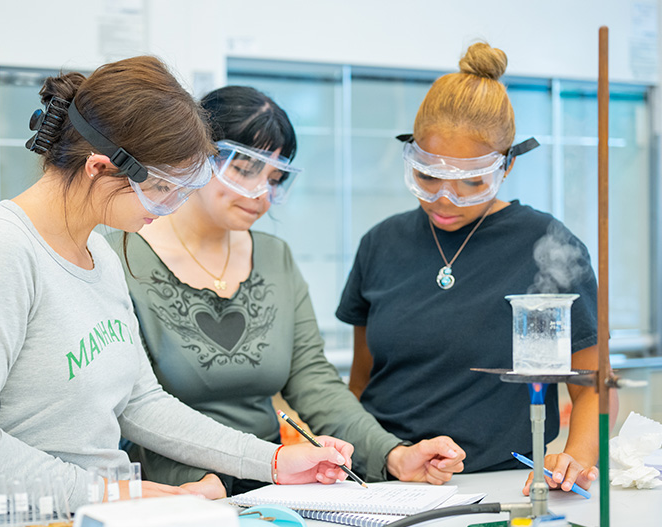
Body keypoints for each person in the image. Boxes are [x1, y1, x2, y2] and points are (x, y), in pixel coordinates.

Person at [0, 57, 357, 522]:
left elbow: (141, 402)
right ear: (99, 167)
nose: (168, 208)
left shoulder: (101, 254)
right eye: (162, 188)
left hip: (107, 522)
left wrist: (271, 463)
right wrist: (114, 496)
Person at [114, 85, 465, 498]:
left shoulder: (274, 257)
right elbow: (132, 407)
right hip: (174, 489)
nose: (262, 194)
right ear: (195, 157)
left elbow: (314, 382)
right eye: (245, 169)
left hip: (270, 483)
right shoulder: (121, 256)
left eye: (276, 178)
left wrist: (392, 454)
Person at [336, 42, 618, 496]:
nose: (444, 199)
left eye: (471, 181)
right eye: (427, 176)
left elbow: (593, 386)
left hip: (504, 485)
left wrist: (575, 461)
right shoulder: (380, 244)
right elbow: (359, 384)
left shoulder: (548, 245)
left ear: (505, 166)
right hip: (382, 481)